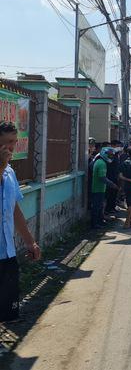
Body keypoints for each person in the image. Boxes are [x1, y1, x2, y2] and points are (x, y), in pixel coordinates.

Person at [1, 121, 41, 321]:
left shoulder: (9, 172)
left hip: (7, 253)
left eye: (14, 142)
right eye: (8, 142)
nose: (11, 147)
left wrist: (30, 242)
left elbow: (14, 210)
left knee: (8, 313)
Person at [91, 147, 118, 228]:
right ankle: (95, 224)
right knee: (96, 207)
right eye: (109, 155)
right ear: (104, 154)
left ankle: (100, 221)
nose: (111, 157)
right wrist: (112, 184)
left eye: (112, 155)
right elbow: (102, 178)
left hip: (100, 188)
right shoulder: (101, 163)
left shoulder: (101, 162)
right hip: (97, 189)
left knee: (100, 207)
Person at [104, 140, 123, 215]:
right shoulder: (110, 155)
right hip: (110, 177)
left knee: (114, 193)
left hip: (115, 176)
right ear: (113, 146)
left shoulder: (117, 155)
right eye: (118, 146)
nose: (119, 148)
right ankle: (108, 209)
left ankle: (112, 207)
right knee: (110, 194)